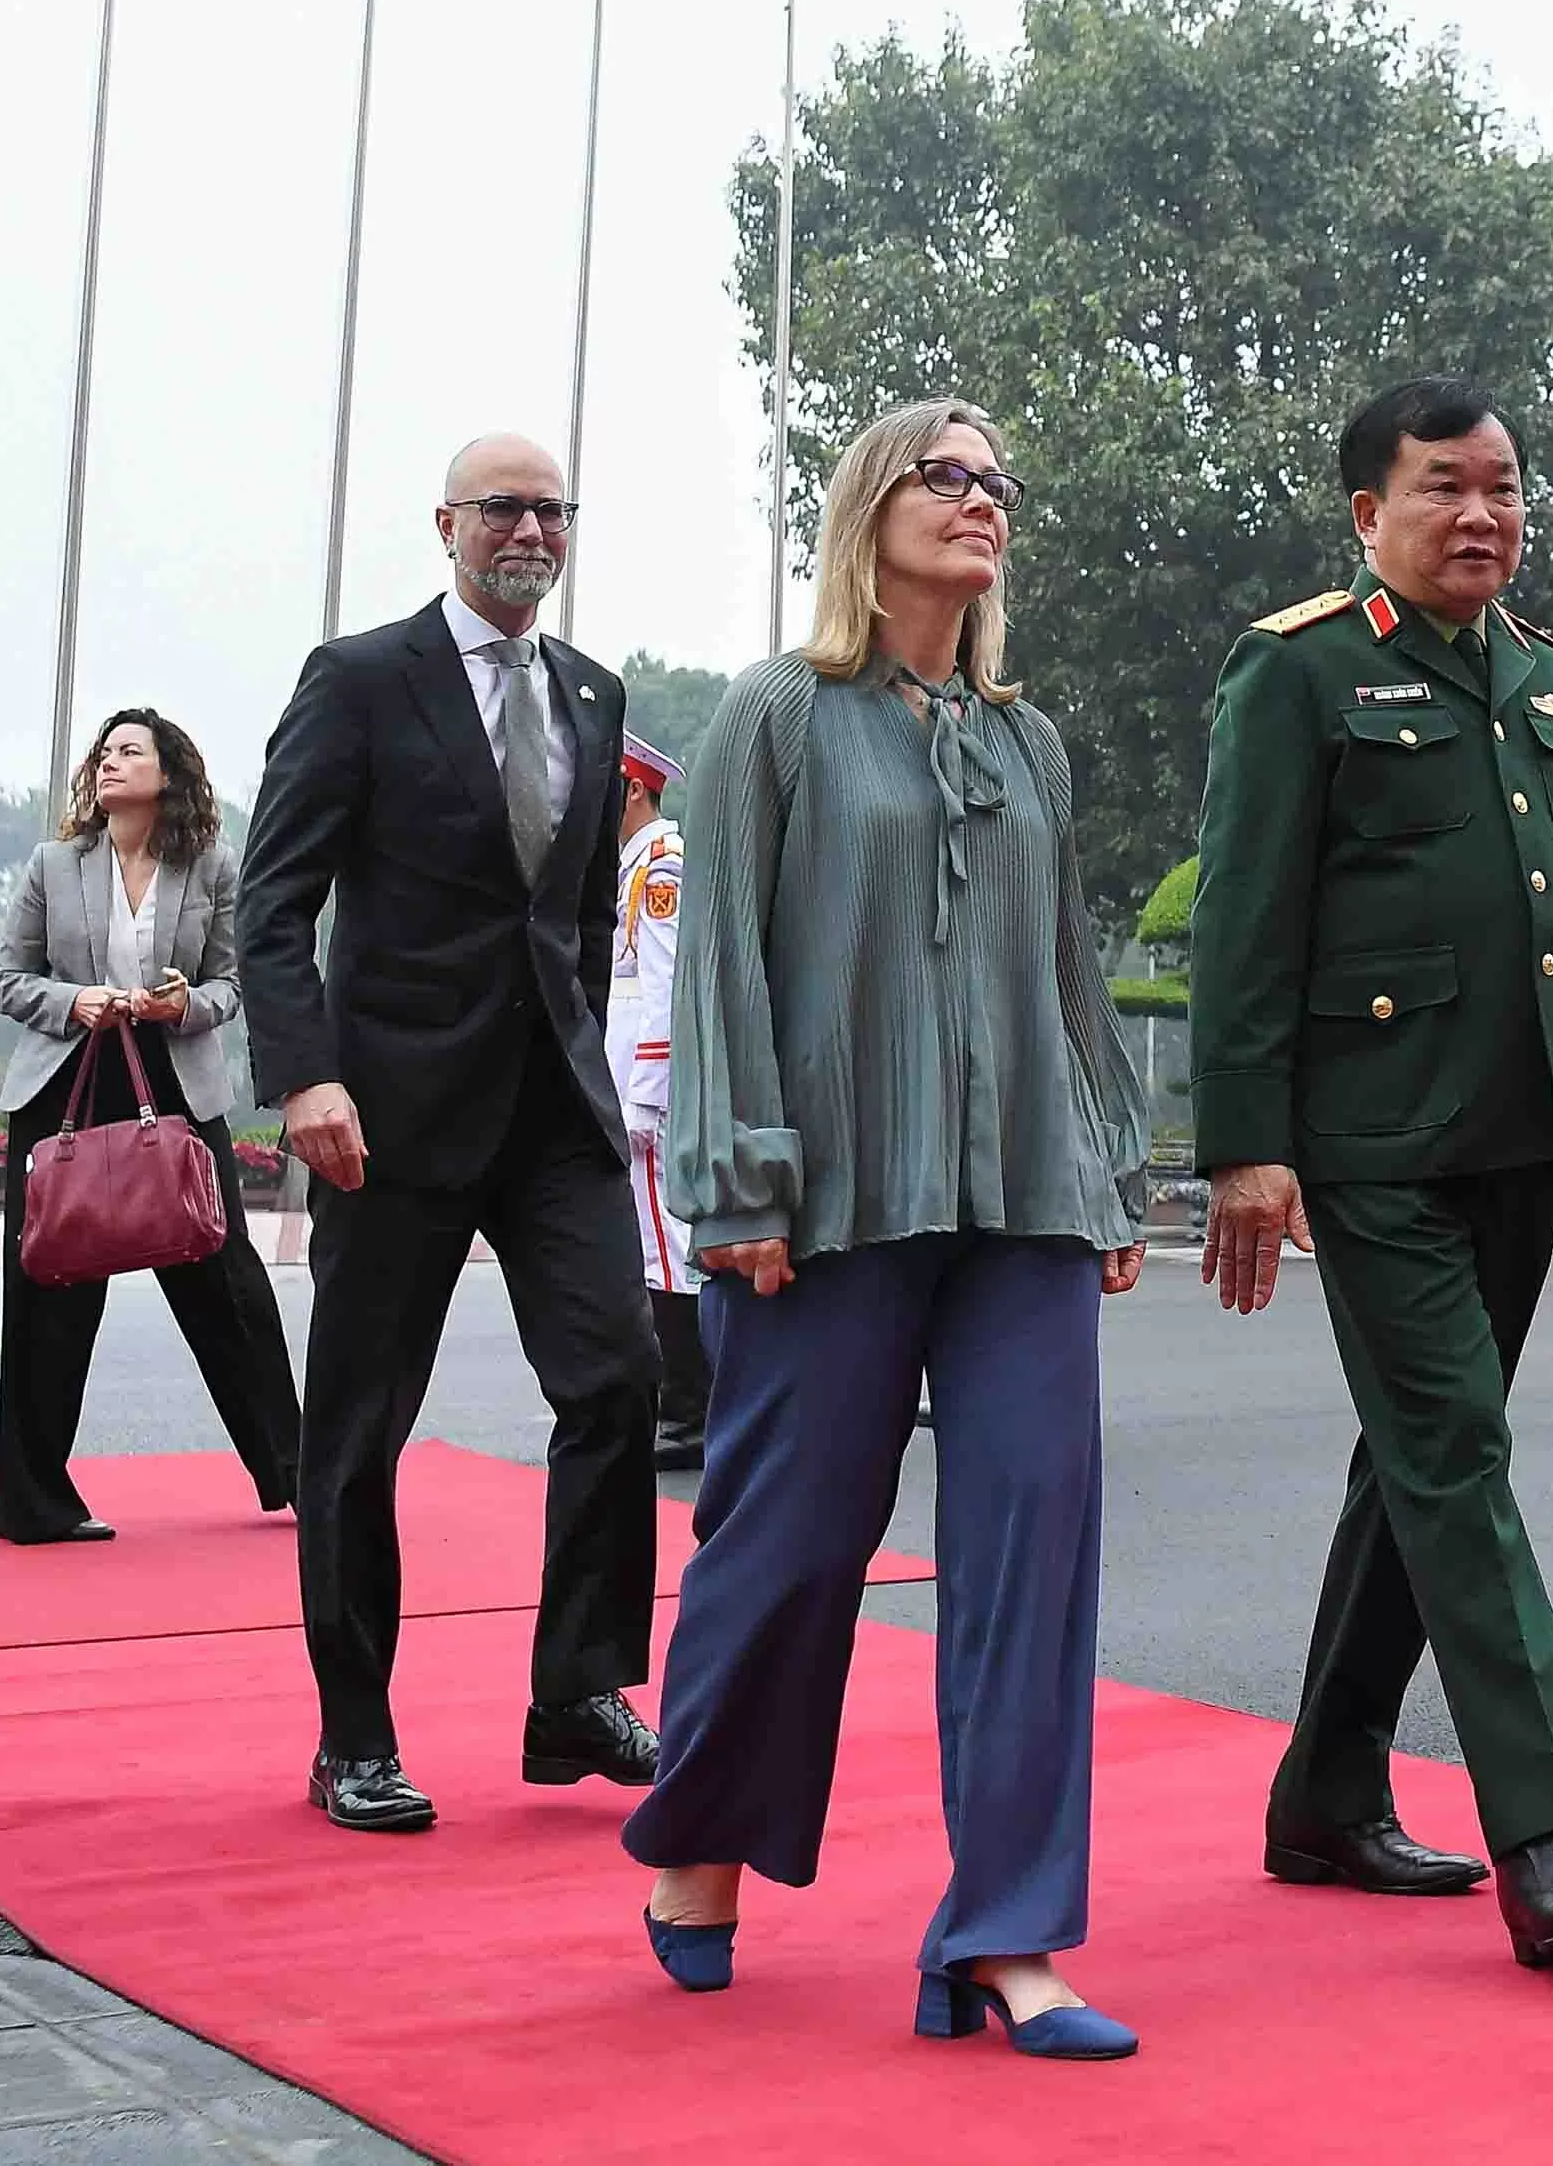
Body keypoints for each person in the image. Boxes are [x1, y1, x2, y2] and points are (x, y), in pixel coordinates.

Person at [1191, 377, 1553, 1969]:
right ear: (1368, 512)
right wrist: (1245, 1143)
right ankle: (1552, 1824)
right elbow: (1247, 916)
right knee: (1456, 1453)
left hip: (1519, 1140)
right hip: (1370, 1141)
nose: (1484, 516)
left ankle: (1322, 1789)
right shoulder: (1300, 670)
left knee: (1419, 1457)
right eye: (1445, 487)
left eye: (1504, 488)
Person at [623, 402, 1149, 2059]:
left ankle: (1002, 1935)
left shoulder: (1026, 738)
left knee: (1030, 1555)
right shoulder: (773, 718)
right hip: (824, 1203)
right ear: (868, 505)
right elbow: (719, 970)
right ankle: (699, 1835)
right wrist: (739, 1183)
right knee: (780, 1548)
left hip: (1021, 1203)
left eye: (999, 478)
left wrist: (1106, 1162)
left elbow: (1067, 968)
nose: (980, 498)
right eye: (947, 472)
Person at [239, 430, 660, 1836]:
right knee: (358, 1427)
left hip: (555, 1110)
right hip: (391, 1114)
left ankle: (579, 1689)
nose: (532, 528)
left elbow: (583, 912)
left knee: (616, 1377)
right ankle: (352, 1729)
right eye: (505, 506)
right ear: (447, 524)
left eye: (553, 508)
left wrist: (589, 1048)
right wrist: (306, 1078)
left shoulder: (594, 694)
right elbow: (275, 901)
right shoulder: (359, 679)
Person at [0, 705, 303, 1543]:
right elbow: (5, 978)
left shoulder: (212, 866)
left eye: (131, 750)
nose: (111, 762)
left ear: (169, 774)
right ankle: (31, 1501)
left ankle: (300, 1476)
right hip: (67, 1088)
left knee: (227, 1283)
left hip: (174, 1083)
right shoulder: (57, 864)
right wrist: (74, 999)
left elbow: (232, 984)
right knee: (49, 1283)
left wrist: (184, 1002)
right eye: (105, 752)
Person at [605, 732, 706, 1471]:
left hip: (652, 1098)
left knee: (667, 1252)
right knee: (651, 1250)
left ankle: (690, 1410)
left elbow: (666, 990)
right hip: (632, 1089)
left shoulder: (661, 868)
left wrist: (647, 1098)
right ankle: (677, 1400)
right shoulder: (631, 870)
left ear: (633, 788)